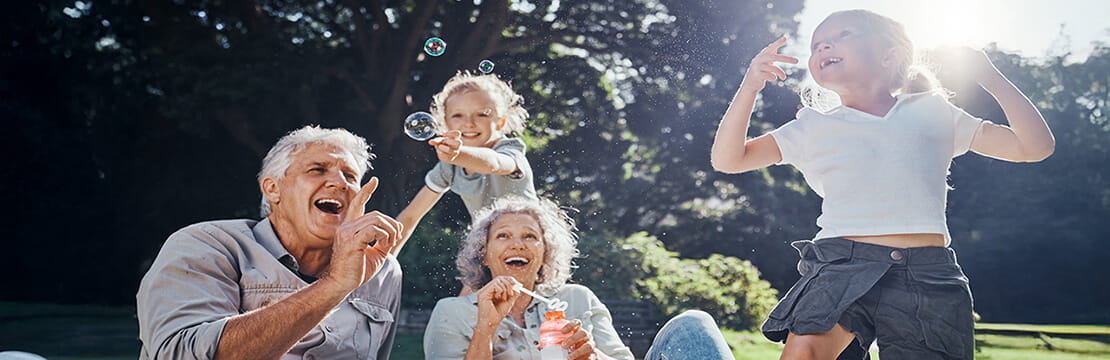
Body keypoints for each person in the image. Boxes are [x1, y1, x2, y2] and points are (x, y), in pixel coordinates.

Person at [710, 9, 1054, 360]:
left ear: (890, 56)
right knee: (805, 349)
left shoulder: (935, 112)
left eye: (843, 34)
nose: (823, 46)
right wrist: (750, 87)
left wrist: (990, 77)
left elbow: (1034, 147)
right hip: (840, 264)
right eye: (816, 45)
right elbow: (728, 159)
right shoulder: (812, 127)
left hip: (927, 275)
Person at [137, 125, 404, 359]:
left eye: (350, 176)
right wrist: (334, 286)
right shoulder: (207, 245)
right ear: (273, 189)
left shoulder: (382, 271)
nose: (339, 182)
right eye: (317, 169)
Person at [423, 197, 736, 360]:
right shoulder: (452, 311)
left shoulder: (577, 299)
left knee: (693, 324)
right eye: (503, 236)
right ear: (484, 253)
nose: (517, 244)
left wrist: (593, 355)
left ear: (545, 253)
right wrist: (485, 328)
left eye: (530, 236)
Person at [395, 71, 538, 256]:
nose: (469, 123)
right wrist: (383, 257)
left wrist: (459, 154)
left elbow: (494, 163)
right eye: (458, 116)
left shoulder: (510, 149)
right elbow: (410, 216)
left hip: (530, 243)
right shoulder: (449, 166)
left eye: (482, 114)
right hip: (491, 248)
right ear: (445, 124)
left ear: (500, 122)